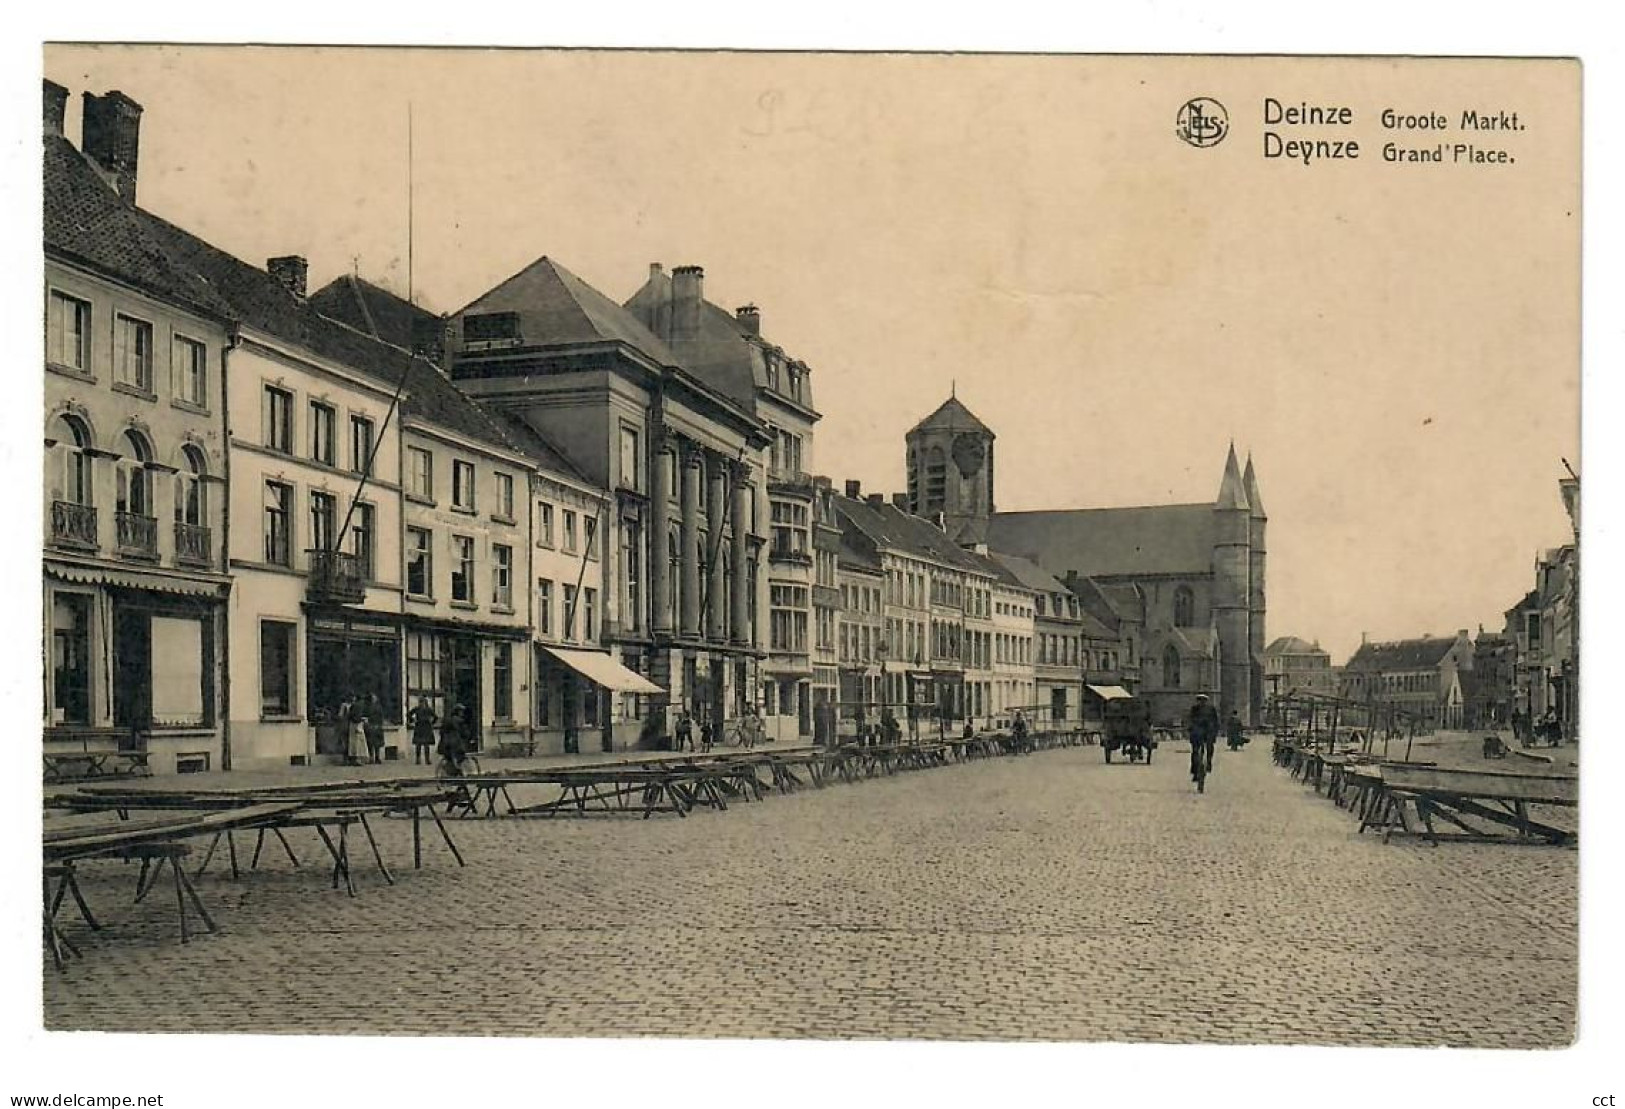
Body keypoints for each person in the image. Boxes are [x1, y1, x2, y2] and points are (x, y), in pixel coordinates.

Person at [1188, 693, 1220, 789]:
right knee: (1195, 752)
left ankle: (1209, 763)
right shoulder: (1194, 709)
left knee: (1210, 748)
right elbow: (1190, 720)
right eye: (1200, 699)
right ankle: (1194, 771)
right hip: (1197, 733)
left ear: (1206, 701)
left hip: (1208, 733)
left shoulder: (1211, 709)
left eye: (1203, 700)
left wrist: (1215, 732)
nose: (1202, 702)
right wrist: (1190, 729)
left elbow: (1215, 721)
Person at [409, 696, 438, 766]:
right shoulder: (416, 709)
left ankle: (427, 759)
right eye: (420, 702)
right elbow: (409, 714)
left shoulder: (428, 709)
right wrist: (413, 720)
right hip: (419, 727)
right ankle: (418, 759)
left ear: (425, 702)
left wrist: (432, 723)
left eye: (422, 702)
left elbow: (435, 717)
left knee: (426, 745)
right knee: (418, 745)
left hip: (426, 727)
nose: (421, 703)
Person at [364, 692, 386, 764]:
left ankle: (376, 757)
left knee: (377, 744)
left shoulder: (378, 707)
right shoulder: (368, 707)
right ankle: (372, 757)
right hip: (371, 726)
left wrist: (379, 724)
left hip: (376, 726)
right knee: (370, 743)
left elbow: (381, 717)